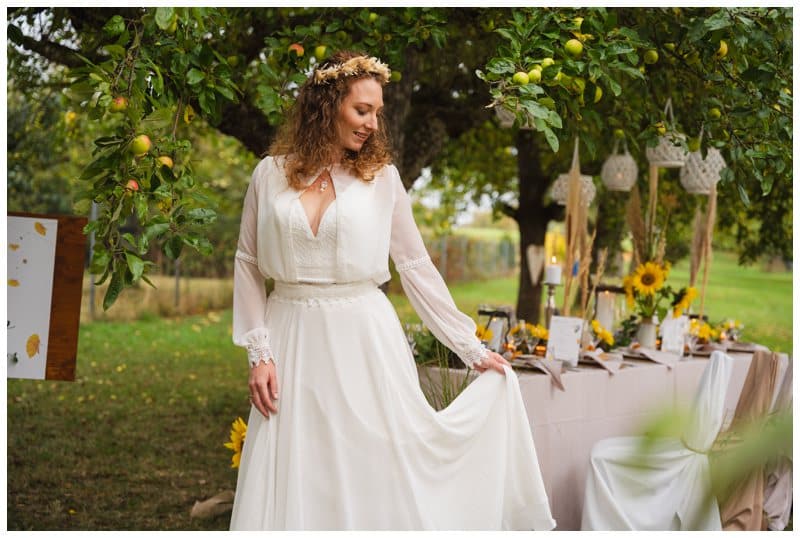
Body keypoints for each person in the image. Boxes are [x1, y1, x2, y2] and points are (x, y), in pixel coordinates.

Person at [229, 50, 554, 531]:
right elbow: (249, 264)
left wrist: (469, 346)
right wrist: (260, 355)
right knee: (296, 468)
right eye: (363, 110)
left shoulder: (382, 179)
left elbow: (415, 267)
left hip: (363, 338)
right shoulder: (269, 175)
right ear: (327, 105)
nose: (372, 125)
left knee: (374, 462)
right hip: (290, 336)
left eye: (377, 113)